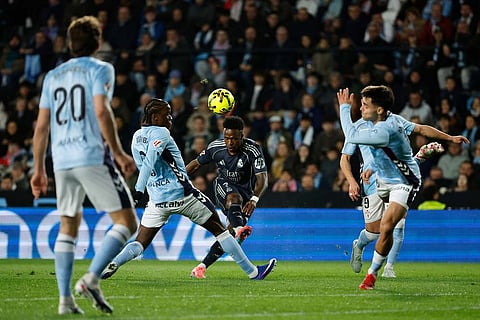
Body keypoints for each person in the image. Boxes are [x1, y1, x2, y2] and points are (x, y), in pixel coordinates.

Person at [29, 16, 138, 315]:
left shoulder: (52, 76)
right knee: (128, 222)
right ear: (98, 42)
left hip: (61, 160)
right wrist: (118, 152)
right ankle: (91, 278)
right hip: (90, 154)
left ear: (68, 43)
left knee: (68, 225)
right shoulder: (101, 68)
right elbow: (102, 112)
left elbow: (41, 127)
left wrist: (38, 169)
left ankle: (65, 301)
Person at [100, 101, 276, 281]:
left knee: (140, 242)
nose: (170, 118)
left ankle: (114, 262)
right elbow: (151, 158)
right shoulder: (162, 132)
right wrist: (137, 188)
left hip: (157, 200)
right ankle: (253, 272)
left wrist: (142, 190)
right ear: (155, 117)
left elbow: (143, 164)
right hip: (182, 194)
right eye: (166, 115)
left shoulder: (137, 136)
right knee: (221, 231)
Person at [337, 85, 469, 290]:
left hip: (404, 183)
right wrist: (449, 137)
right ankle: (360, 245)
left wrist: (344, 108)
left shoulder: (384, 129)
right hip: (378, 182)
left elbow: (353, 135)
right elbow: (421, 128)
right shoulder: (387, 121)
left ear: (379, 110)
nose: (361, 108)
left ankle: (373, 274)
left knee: (389, 226)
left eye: (365, 105)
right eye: (360, 104)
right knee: (373, 233)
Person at [341, 140, 444, 278]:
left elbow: (403, 165)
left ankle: (389, 267)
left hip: (395, 185)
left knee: (398, 224)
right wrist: (352, 181)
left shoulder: (397, 130)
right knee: (373, 234)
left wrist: (421, 156)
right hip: (371, 186)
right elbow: (347, 158)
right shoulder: (363, 132)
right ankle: (358, 245)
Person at [187, 115, 269, 279]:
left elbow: (263, 180)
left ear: (242, 136)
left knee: (228, 235)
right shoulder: (215, 147)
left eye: (234, 139)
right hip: (223, 186)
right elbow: (195, 164)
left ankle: (201, 267)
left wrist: (254, 199)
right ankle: (240, 230)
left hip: (246, 194)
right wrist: (179, 179)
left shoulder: (252, 149)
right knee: (234, 198)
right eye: (227, 138)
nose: (230, 142)